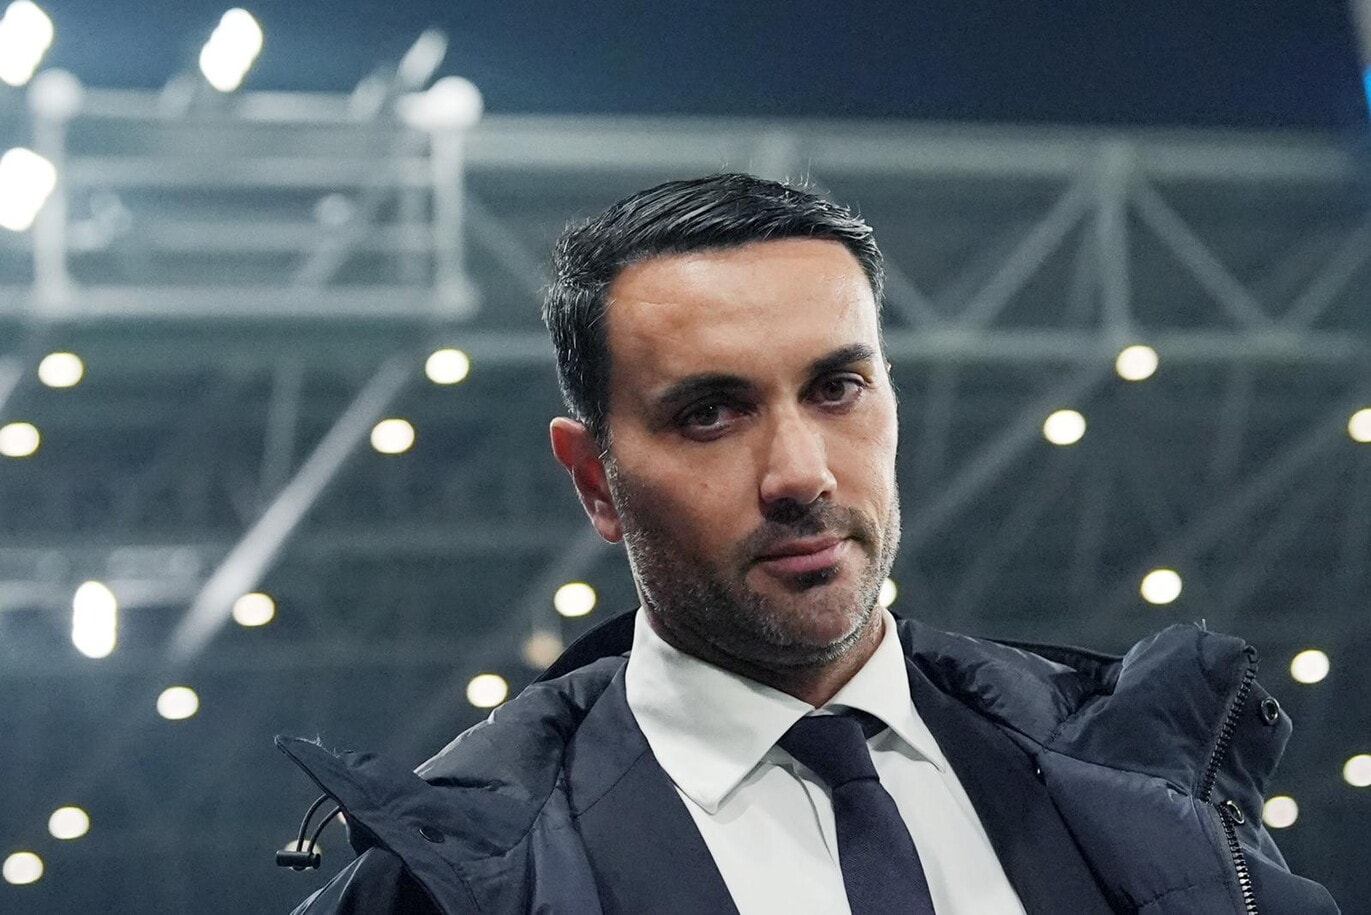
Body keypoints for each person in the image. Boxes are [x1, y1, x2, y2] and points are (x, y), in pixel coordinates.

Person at [279, 174, 1339, 913]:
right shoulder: (447, 885)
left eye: (837, 388)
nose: (800, 473)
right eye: (709, 414)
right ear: (595, 479)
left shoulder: (1145, 780)